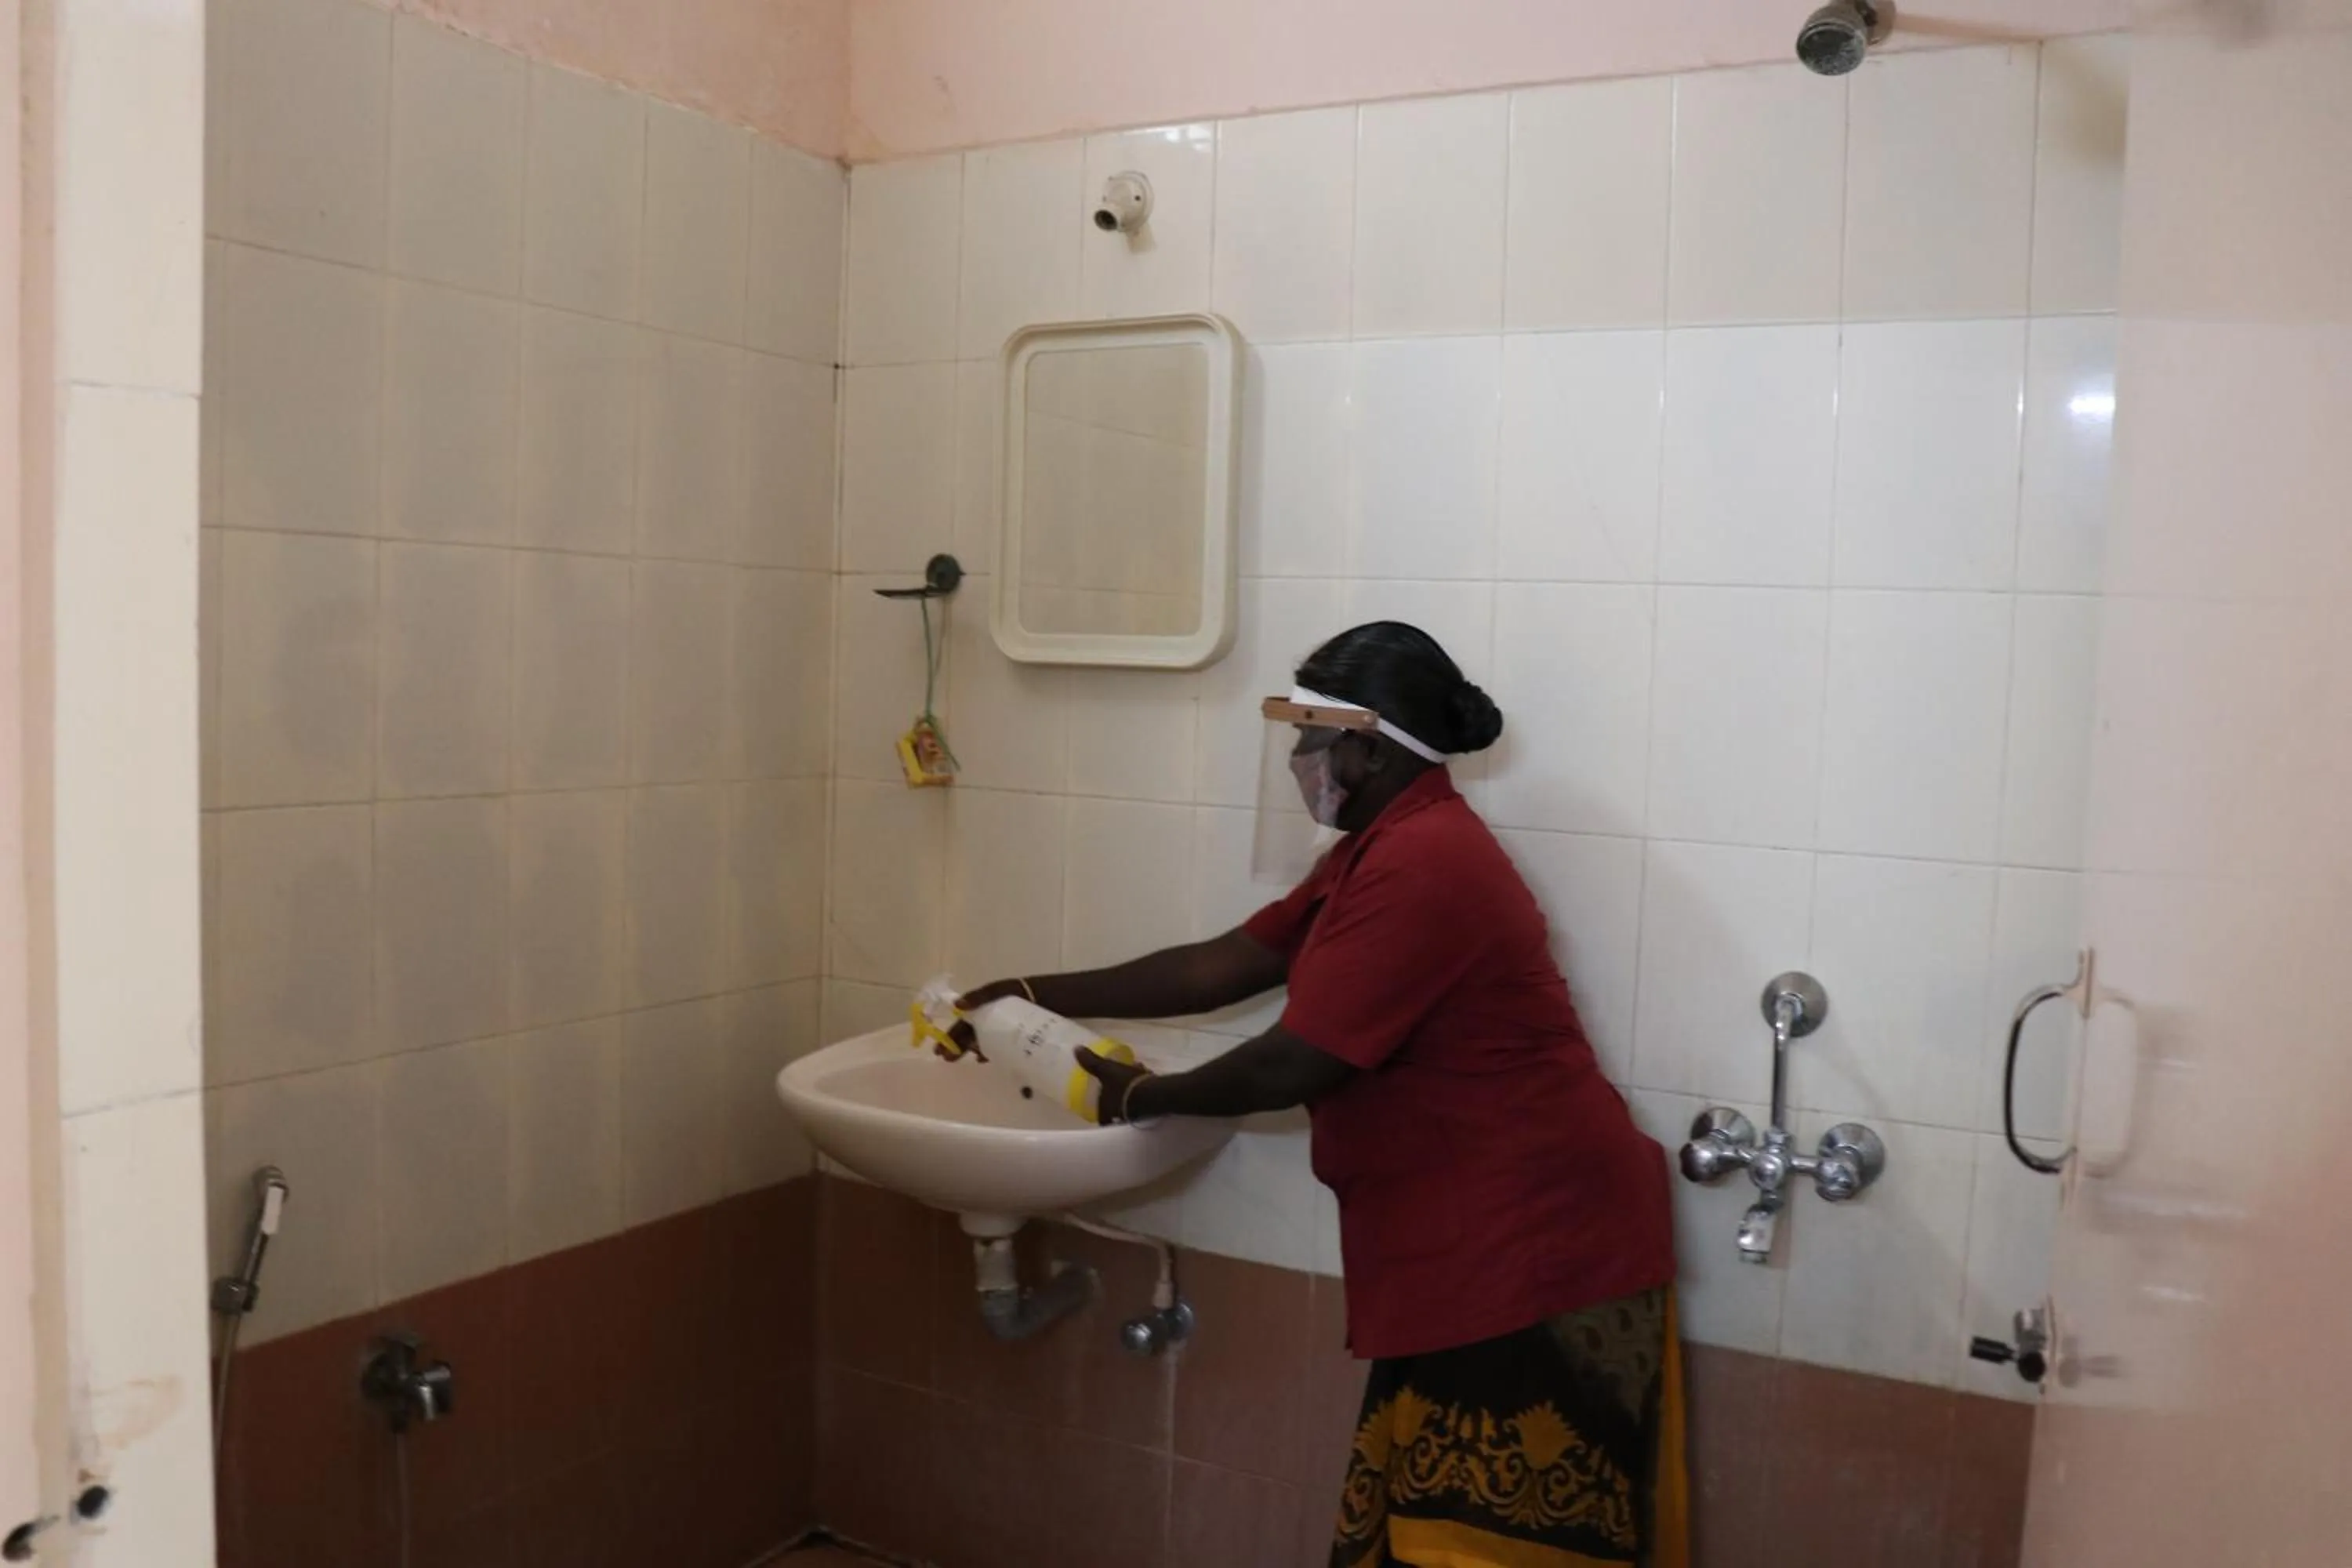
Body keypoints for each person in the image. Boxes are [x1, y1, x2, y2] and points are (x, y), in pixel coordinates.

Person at [960, 622, 1686, 1568]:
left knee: (1491, 1544)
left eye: (1311, 736)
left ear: (1368, 745)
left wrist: (1141, 1095)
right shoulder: (1375, 847)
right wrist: (1029, 993)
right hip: (1474, 1249)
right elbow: (1217, 967)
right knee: (1433, 1529)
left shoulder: (1429, 862)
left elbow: (1291, 1062)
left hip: (1537, 1253)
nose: (1299, 760)